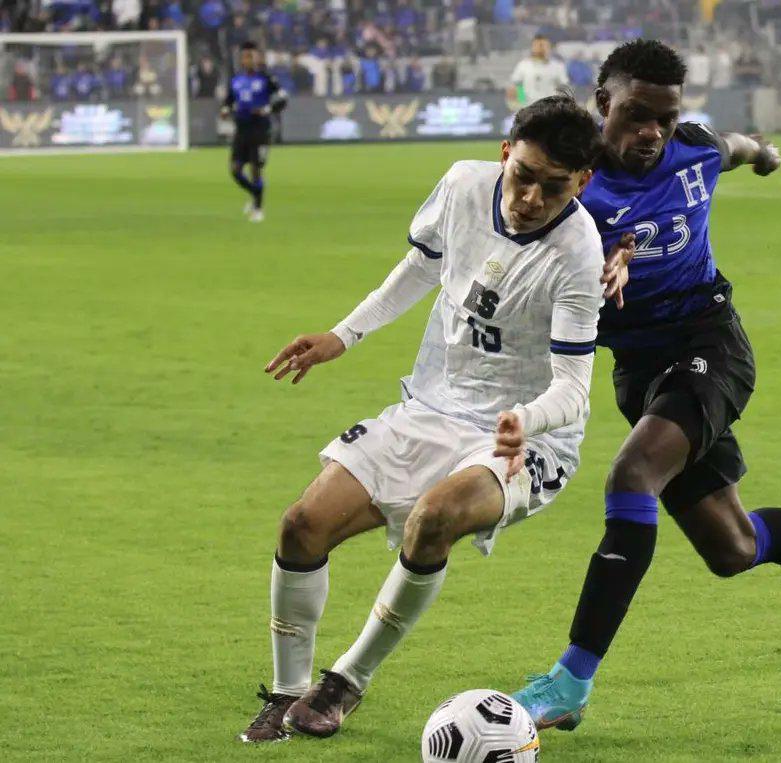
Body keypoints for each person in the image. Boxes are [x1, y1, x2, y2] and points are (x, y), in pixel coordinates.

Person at [509, 39, 781, 731]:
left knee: (632, 475)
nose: (652, 133)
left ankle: (570, 681)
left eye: (664, 119)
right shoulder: (571, 179)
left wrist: (763, 152)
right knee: (731, 548)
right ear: (603, 103)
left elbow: (732, 146)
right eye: (636, 115)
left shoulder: (691, 150)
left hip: (709, 344)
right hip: (640, 371)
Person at [236, 95, 630, 743]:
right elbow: (420, 268)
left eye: (554, 186)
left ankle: (346, 680)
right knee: (302, 524)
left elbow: (572, 391)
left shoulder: (578, 255)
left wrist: (522, 420)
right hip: (430, 407)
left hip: (525, 440)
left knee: (434, 517)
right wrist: (343, 335)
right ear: (504, 154)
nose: (531, 198)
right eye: (523, 176)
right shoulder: (462, 185)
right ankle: (285, 692)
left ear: (582, 182)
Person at [220, 41, 288, 223]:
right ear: (241, 60)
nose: (248, 60)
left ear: (257, 58)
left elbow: (283, 99)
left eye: (251, 56)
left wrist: (267, 109)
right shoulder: (236, 80)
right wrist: (225, 110)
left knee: (256, 169)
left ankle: (258, 209)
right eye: (245, 57)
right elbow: (228, 101)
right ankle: (255, 194)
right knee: (235, 170)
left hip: (260, 129)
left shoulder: (267, 79)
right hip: (241, 129)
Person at [508, 34, 569, 107]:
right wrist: (522, 101)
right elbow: (518, 85)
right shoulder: (523, 65)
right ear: (532, 47)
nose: (541, 48)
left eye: (544, 45)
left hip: (550, 108)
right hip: (529, 106)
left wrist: (558, 104)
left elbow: (564, 87)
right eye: (538, 45)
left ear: (549, 47)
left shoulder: (558, 66)